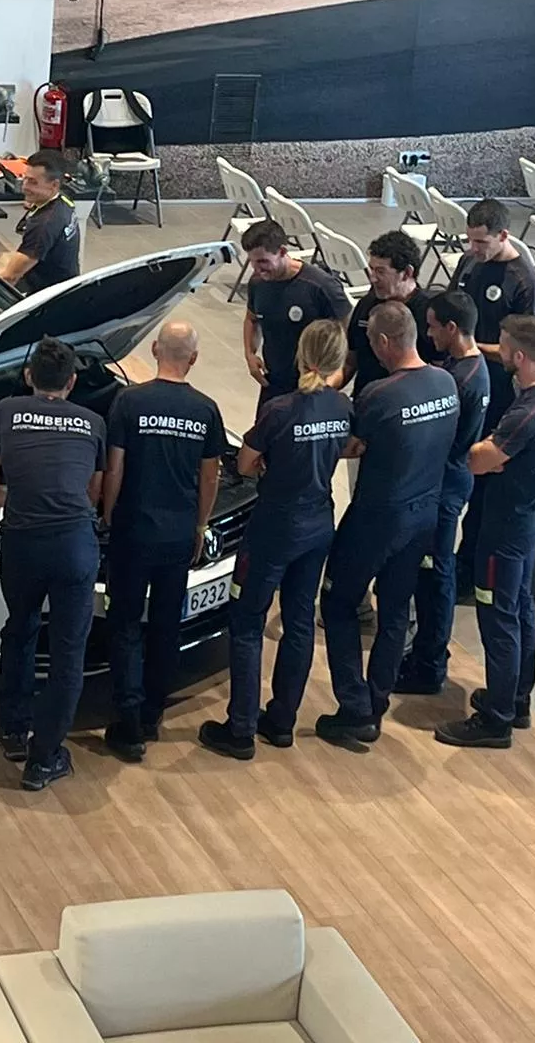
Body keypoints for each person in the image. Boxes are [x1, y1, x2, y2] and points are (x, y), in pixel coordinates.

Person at [199, 320, 353, 761]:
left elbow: (245, 465)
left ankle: (241, 728)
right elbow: (347, 447)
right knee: (300, 621)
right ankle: (282, 720)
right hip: (319, 522)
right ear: (339, 361)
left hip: (274, 527)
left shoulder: (281, 410)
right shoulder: (342, 407)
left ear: (301, 357)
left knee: (248, 621)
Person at [315, 301, 459, 746]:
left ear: (382, 342)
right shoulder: (447, 383)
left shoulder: (379, 395)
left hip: (377, 516)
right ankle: (376, 701)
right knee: (395, 610)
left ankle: (354, 708)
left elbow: (352, 447)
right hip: (424, 516)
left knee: (339, 603)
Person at [0, 335, 106, 791]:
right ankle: (45, 758)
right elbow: (94, 489)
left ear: (29, 376)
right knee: (70, 649)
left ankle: (11, 729)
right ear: (72, 381)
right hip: (74, 545)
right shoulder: (92, 422)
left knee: (20, 627)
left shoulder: (7, 411)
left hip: (23, 542)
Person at [436, 315, 535, 750]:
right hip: (532, 522)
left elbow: (477, 459)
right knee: (520, 609)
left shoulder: (524, 415)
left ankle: (496, 720)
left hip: (505, 533)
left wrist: (488, 445)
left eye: (505, 348)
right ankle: (516, 698)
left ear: (519, 356)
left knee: (498, 621)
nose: (499, 353)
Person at [101, 321, 226, 762]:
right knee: (166, 626)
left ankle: (129, 722)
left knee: (127, 624)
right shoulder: (207, 409)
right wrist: (200, 525)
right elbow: (211, 474)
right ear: (193, 358)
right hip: (177, 536)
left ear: (154, 349)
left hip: (134, 531)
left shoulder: (129, 401)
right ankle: (153, 712)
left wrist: (108, 515)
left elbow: (114, 468)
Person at [393, 290, 489, 695]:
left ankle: (429, 664)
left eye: (432, 326)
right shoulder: (471, 368)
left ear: (452, 328)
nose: (427, 333)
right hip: (450, 482)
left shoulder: (456, 382)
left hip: (443, 488)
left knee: (435, 577)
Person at [450, 199, 535, 598]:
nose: (474, 249)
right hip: (467, 387)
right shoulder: (468, 264)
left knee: (486, 489)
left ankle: (473, 568)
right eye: (470, 241)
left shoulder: (524, 281)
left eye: (482, 242)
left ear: (504, 236)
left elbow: (527, 349)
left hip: (500, 394)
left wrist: (475, 349)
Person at [243, 219, 349, 409]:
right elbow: (251, 318)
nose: (257, 269)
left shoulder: (321, 286)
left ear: (283, 251)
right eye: (252, 262)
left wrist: (332, 380)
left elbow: (345, 334)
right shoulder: (258, 283)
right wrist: (250, 354)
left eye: (263, 261)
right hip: (274, 382)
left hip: (312, 386)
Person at [343, 231, 436, 397]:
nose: (373, 278)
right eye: (371, 270)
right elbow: (350, 361)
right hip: (366, 401)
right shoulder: (366, 305)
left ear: (407, 273)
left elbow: (438, 371)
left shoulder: (430, 314)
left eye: (381, 271)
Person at [0, 149, 81, 293]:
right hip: (67, 283)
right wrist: (34, 202)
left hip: (47, 297)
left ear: (54, 185)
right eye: (25, 179)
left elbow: (10, 277)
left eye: (33, 182)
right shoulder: (63, 200)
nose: (25, 187)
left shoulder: (43, 226)